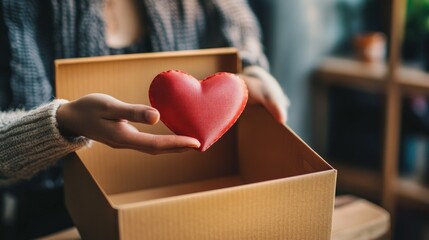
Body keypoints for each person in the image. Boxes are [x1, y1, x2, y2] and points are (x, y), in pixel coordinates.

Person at [0, 0, 289, 238]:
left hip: (194, 201)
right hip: (61, 214)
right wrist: (62, 122)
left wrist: (252, 70)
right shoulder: (17, 10)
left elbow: (240, 30)